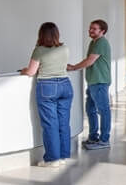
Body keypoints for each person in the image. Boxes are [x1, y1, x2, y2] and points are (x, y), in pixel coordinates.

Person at [22, 22, 72, 167]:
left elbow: (31, 72)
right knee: (63, 122)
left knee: (50, 124)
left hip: (47, 87)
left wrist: (23, 71)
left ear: (41, 34)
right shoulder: (64, 48)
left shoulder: (39, 50)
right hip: (65, 85)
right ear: (56, 34)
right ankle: (63, 156)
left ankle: (52, 159)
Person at [68, 20, 112, 149]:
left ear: (102, 31)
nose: (90, 30)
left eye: (94, 29)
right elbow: (89, 60)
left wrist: (74, 67)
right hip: (93, 82)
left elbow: (90, 61)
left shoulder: (101, 43)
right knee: (91, 110)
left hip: (100, 82)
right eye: (90, 28)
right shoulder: (93, 42)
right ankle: (93, 137)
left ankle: (104, 140)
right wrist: (74, 66)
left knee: (103, 111)